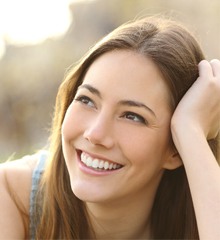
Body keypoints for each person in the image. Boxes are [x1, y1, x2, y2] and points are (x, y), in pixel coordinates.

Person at [0, 16, 220, 240]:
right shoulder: (10, 196)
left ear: (175, 150)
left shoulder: (202, 220)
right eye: (86, 100)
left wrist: (191, 132)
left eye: (132, 116)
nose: (95, 134)